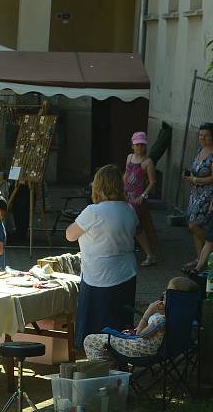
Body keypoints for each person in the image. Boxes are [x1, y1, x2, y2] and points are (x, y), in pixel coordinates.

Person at [66, 164, 139, 349]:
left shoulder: (93, 211)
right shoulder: (129, 209)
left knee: (96, 327)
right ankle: (120, 356)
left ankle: (96, 360)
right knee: (121, 323)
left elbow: (69, 235)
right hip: (126, 272)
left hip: (99, 275)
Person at [84, 277, 198, 361]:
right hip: (154, 348)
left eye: (168, 292)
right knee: (107, 343)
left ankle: (103, 372)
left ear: (176, 300)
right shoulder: (180, 317)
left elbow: (139, 334)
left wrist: (149, 312)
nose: (164, 294)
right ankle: (115, 370)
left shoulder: (161, 320)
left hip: (139, 350)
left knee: (89, 340)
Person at [125, 131, 158, 266]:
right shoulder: (129, 157)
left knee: (136, 226)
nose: (140, 147)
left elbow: (152, 182)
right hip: (127, 195)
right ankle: (130, 251)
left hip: (138, 197)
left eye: (142, 145)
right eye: (137, 145)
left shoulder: (147, 162)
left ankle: (150, 254)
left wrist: (143, 196)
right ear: (132, 145)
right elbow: (126, 174)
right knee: (127, 224)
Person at [183, 124, 213, 268]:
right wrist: (190, 175)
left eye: (206, 135)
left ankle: (209, 249)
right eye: (200, 135)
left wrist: (195, 180)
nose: (202, 138)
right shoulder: (201, 149)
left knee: (194, 225)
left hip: (207, 195)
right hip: (195, 193)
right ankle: (200, 258)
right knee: (194, 225)